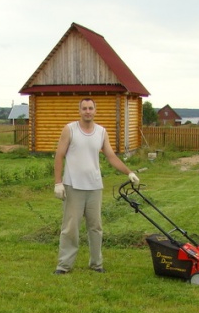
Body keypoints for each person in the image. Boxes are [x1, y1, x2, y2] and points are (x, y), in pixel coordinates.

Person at [53, 98, 139, 274]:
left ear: (95, 111)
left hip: (94, 187)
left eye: (90, 108)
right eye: (84, 108)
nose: (87, 111)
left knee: (96, 227)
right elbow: (59, 155)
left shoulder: (101, 132)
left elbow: (111, 156)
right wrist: (58, 183)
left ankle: (96, 264)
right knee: (70, 227)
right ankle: (64, 265)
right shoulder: (70, 129)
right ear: (80, 111)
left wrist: (129, 172)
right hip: (73, 186)